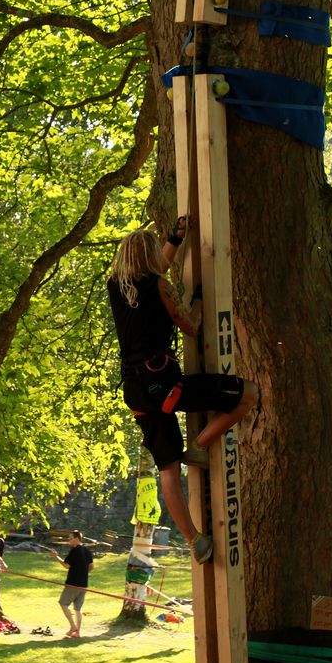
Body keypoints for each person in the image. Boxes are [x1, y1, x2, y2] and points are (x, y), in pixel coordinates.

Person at [107, 219, 259, 564]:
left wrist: (175, 239)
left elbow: (153, 270)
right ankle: (203, 443)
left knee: (168, 471)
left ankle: (195, 541)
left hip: (137, 391)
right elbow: (191, 327)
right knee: (247, 394)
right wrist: (199, 300)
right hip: (165, 384)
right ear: (148, 258)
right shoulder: (159, 286)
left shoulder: (117, 286)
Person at [50, 530, 93, 638]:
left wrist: (56, 557)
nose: (68, 540)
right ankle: (77, 632)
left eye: (70, 538)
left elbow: (66, 565)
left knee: (63, 603)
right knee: (77, 609)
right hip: (84, 584)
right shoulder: (87, 551)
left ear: (77, 539)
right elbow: (91, 567)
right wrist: (82, 572)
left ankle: (73, 627)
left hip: (72, 584)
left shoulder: (74, 551)